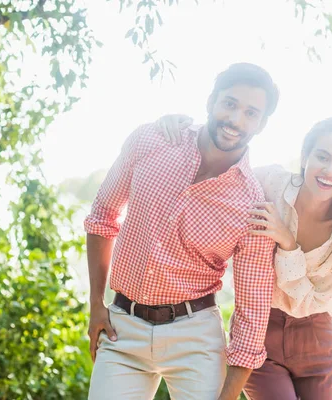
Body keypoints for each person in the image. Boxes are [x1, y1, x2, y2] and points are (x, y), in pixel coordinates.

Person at [160, 116, 332, 400]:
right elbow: (219, 172)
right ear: (305, 155)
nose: (330, 170)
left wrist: (287, 242)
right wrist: (183, 129)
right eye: (323, 156)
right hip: (260, 330)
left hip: (316, 337)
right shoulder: (270, 183)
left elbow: (307, 300)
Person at [85, 62, 280, 400]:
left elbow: (252, 311)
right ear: (211, 101)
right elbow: (103, 215)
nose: (235, 120)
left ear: (262, 124)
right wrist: (95, 304)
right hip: (122, 328)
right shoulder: (152, 140)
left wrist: (228, 395)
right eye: (230, 104)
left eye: (251, 113)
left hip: (196, 338)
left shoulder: (252, 205)